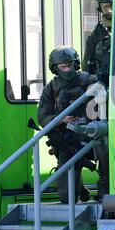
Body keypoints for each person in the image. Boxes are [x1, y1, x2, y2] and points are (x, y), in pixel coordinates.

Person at [37, 46, 97, 204]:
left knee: (106, 177)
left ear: (75, 64)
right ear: (55, 68)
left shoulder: (90, 80)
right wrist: (59, 120)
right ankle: (80, 189)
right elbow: (42, 117)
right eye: (62, 67)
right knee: (66, 198)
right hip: (68, 141)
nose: (67, 69)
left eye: (69, 65)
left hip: (94, 138)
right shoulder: (51, 88)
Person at [83, 0, 113, 87]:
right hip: (103, 87)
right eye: (106, 6)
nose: (109, 10)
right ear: (100, 8)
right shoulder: (96, 35)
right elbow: (87, 68)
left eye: (111, 6)